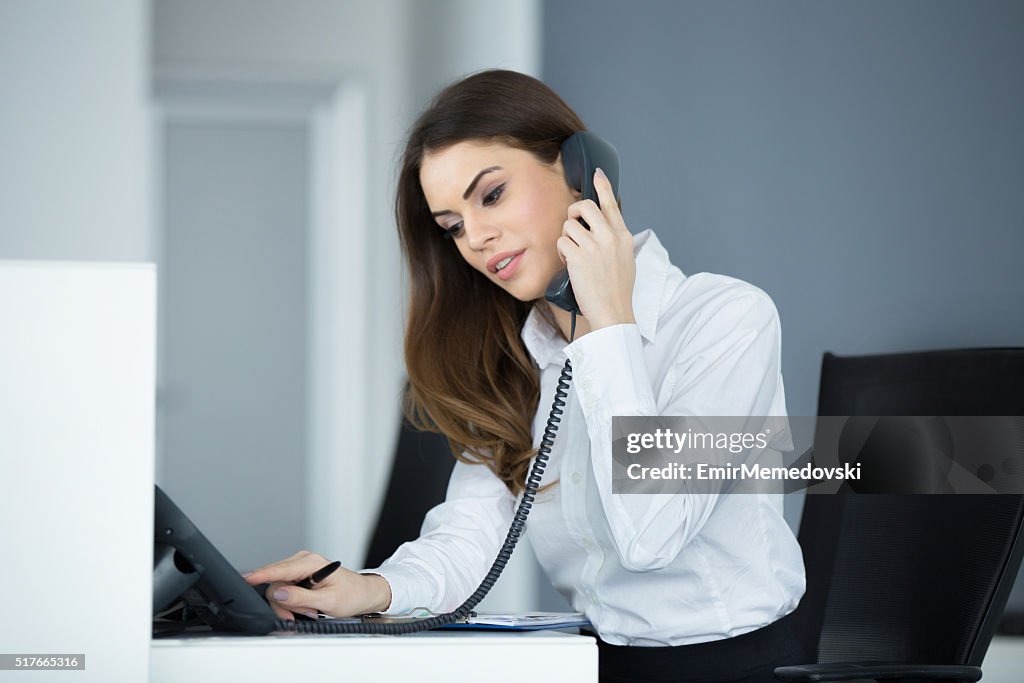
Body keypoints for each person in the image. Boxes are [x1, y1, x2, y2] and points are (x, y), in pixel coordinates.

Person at [244, 69, 807, 682]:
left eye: (491, 195)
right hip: (595, 663)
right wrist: (372, 590)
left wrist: (607, 321)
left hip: (732, 667)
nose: (477, 238)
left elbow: (652, 538)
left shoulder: (725, 320)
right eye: (452, 227)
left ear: (583, 174)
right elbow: (470, 537)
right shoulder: (517, 357)